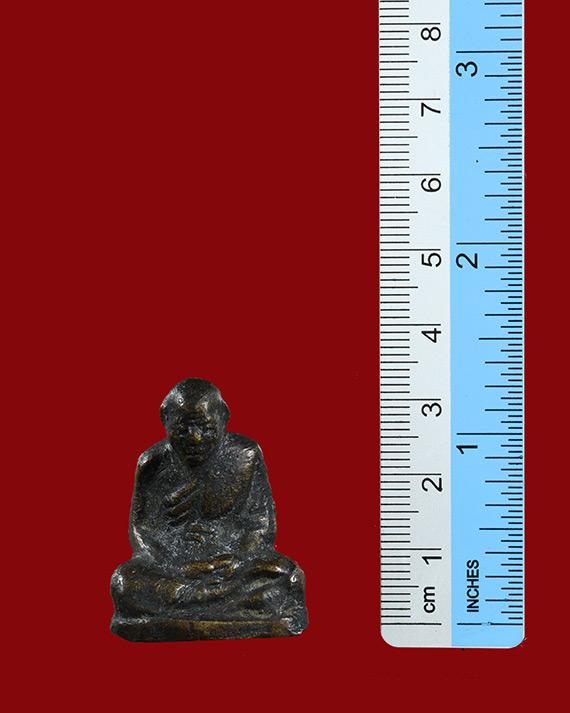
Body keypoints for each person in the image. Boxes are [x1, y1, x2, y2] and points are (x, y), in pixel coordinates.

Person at [110, 378, 307, 641]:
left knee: (285, 575)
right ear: (165, 420)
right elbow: (141, 531)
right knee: (124, 583)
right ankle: (228, 605)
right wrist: (180, 564)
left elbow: (260, 523)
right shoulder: (152, 464)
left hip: (230, 566)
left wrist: (238, 558)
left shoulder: (246, 456)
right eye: (182, 429)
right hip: (176, 570)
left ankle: (189, 607)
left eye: (205, 427)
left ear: (224, 417)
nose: (194, 438)